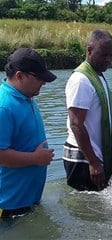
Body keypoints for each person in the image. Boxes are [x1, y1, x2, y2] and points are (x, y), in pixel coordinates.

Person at [0, 48, 56, 219]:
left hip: (26, 200)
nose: (43, 83)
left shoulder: (27, 97)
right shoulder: (4, 106)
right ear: (19, 76)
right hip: (8, 206)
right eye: (39, 78)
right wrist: (35, 159)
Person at [62, 29, 112, 191]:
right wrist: (93, 162)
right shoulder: (81, 80)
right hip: (83, 160)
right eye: (103, 55)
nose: (108, 60)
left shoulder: (98, 76)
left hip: (94, 158)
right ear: (89, 51)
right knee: (84, 213)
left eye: (111, 55)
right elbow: (76, 124)